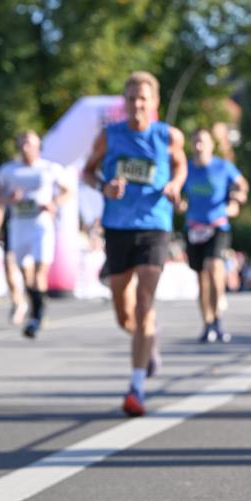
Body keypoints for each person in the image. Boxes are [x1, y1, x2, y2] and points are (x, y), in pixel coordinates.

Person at [83, 71, 186, 416]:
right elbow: (87, 171)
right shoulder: (109, 136)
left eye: (143, 98)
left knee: (144, 303)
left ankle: (136, 388)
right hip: (117, 228)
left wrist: (174, 185)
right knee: (124, 315)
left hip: (155, 226)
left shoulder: (168, 136)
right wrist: (104, 187)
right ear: (124, 103)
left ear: (154, 103)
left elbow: (180, 165)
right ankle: (148, 343)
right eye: (131, 98)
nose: (137, 104)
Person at [0, 131, 71, 338]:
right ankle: (36, 306)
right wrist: (9, 198)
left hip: (41, 226)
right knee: (26, 275)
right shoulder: (9, 170)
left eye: (29, 143)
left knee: (39, 273)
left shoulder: (49, 168)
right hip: (19, 226)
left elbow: (67, 190)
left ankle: (36, 316)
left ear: (38, 146)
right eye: (22, 143)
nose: (25, 147)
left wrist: (54, 203)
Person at [181, 128, 248, 343]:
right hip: (194, 227)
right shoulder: (187, 168)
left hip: (218, 225)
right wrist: (177, 202)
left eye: (203, 142)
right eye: (195, 142)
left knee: (214, 268)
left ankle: (218, 316)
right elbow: (176, 189)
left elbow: (242, 185)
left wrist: (236, 198)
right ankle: (208, 323)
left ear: (211, 145)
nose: (199, 146)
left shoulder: (223, 166)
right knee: (201, 278)